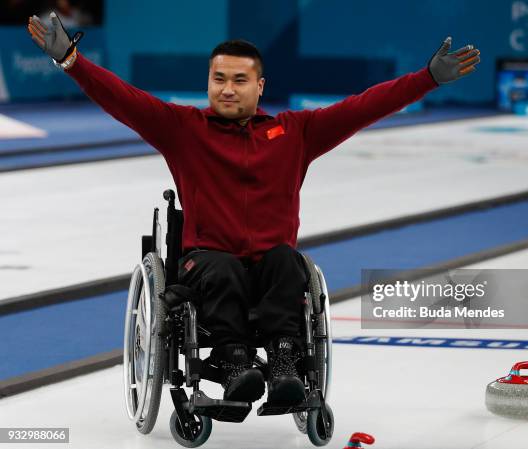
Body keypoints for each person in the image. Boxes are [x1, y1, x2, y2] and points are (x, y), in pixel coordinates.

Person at [27, 13, 480, 406]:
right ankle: (232, 361)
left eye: (239, 80)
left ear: (260, 86)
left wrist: (427, 79)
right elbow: (122, 99)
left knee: (287, 260)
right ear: (208, 82)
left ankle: (285, 360)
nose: (227, 89)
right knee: (222, 267)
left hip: (269, 267)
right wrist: (71, 60)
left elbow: (360, 108)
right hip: (207, 263)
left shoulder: (295, 133)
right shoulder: (183, 129)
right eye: (218, 79)